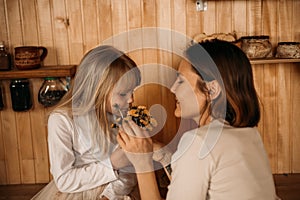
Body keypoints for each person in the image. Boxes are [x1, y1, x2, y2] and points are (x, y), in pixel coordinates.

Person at [117, 39, 279, 199]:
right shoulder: (250, 133)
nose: (172, 89)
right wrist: (162, 153)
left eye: (180, 80)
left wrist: (142, 163)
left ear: (211, 90)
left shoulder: (199, 141)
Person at [32, 45, 143, 200]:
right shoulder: (61, 121)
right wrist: (111, 164)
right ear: (96, 89)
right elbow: (64, 180)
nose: (131, 100)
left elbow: (129, 170)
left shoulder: (122, 117)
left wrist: (110, 195)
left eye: (133, 91)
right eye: (123, 93)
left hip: (117, 194)